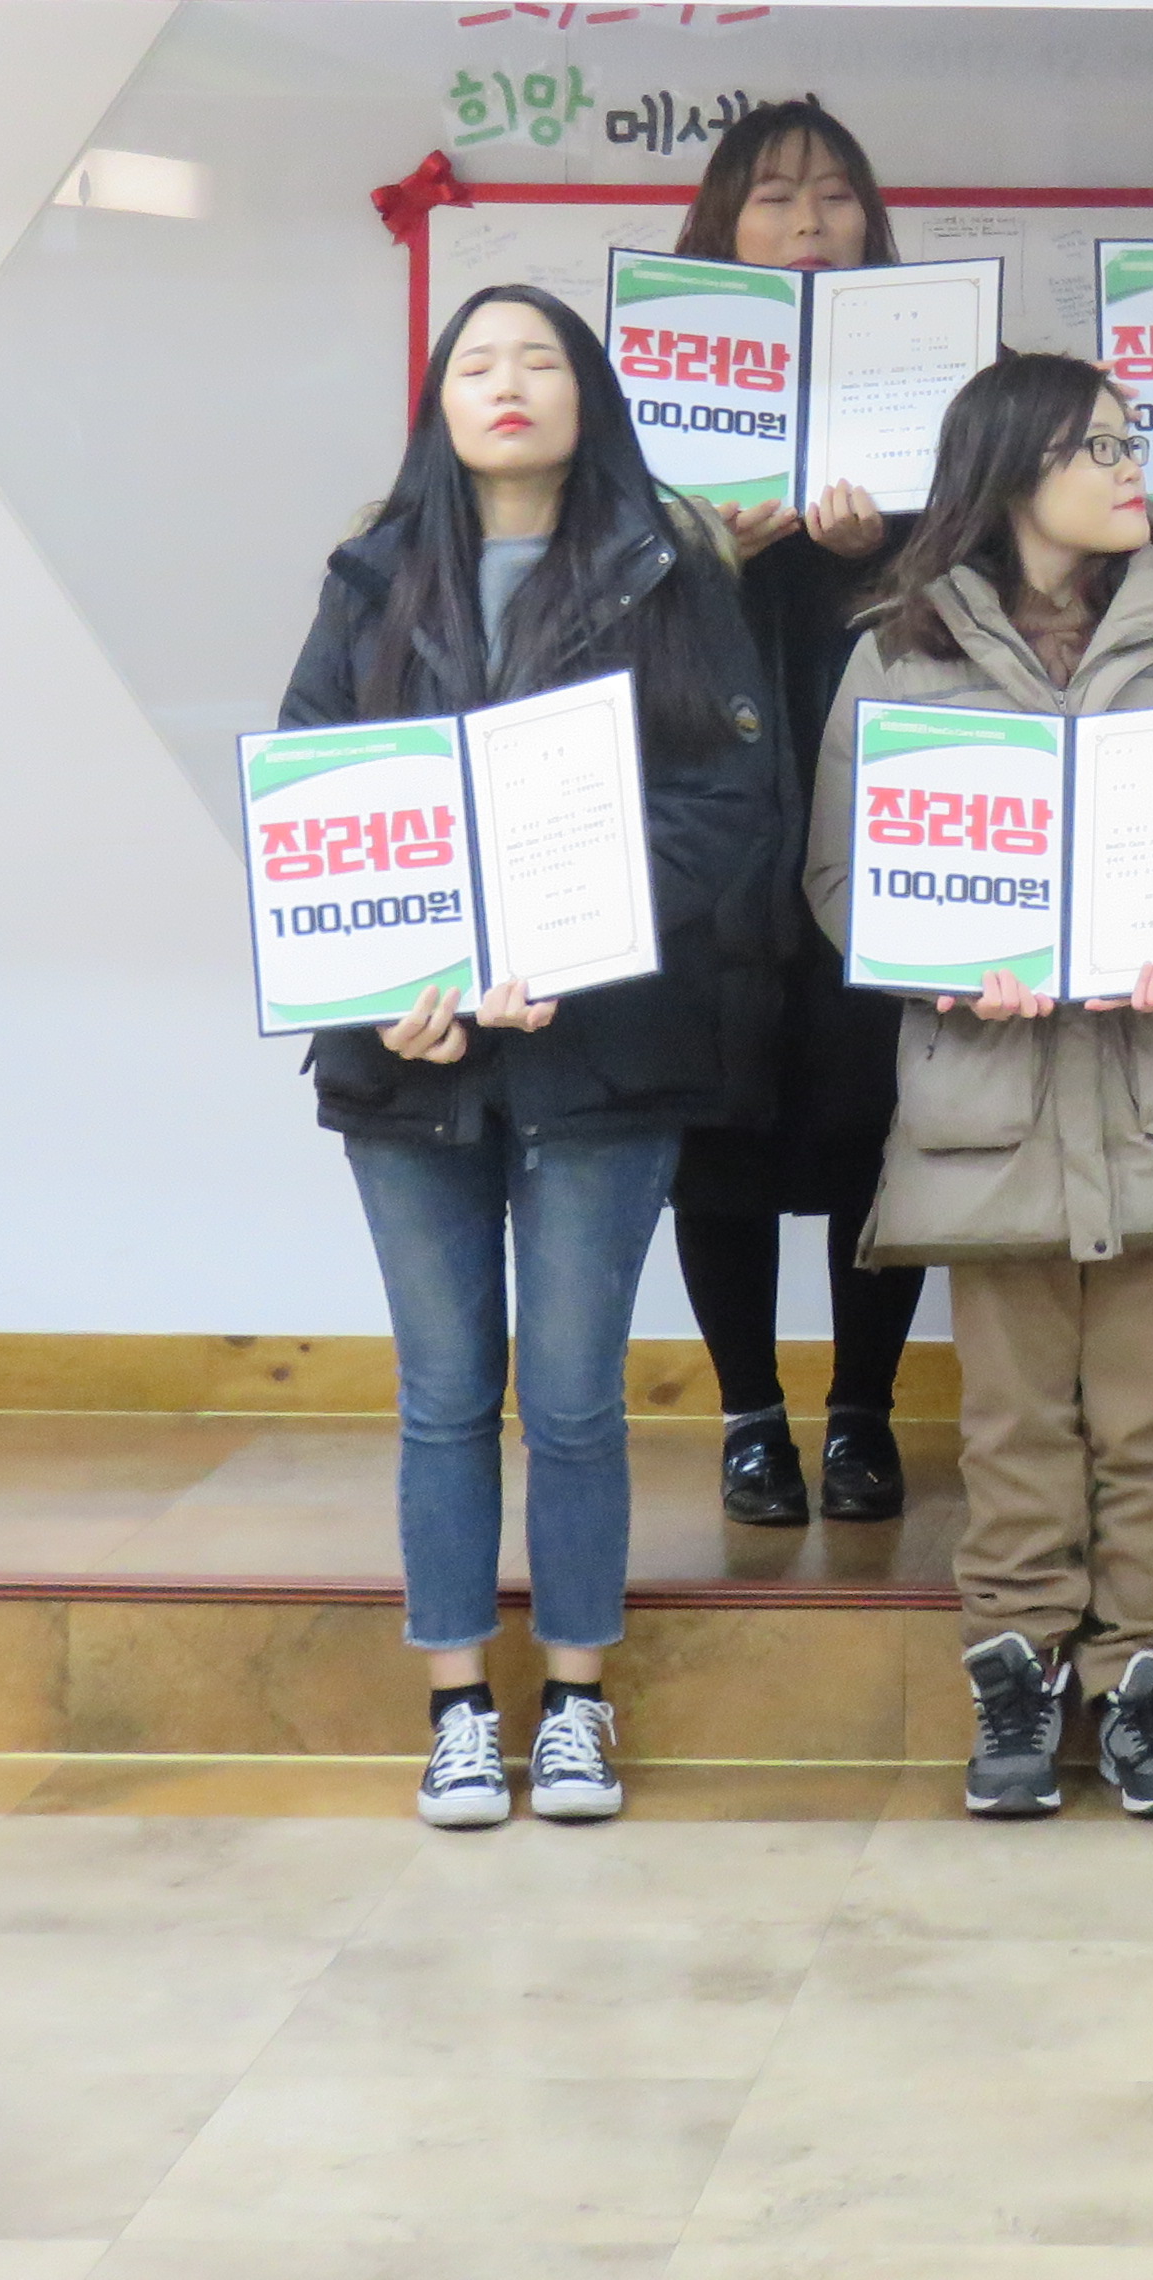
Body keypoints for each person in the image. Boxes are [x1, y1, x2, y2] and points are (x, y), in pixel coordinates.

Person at [275, 283, 786, 1830]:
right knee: (443, 1394)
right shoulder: (371, 575)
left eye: (541, 361)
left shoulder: (669, 569)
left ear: (587, 398)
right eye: (477, 363)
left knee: (571, 1398)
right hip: (408, 1057)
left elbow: (725, 804)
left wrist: (573, 940)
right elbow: (316, 800)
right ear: (439, 401)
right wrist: (386, 988)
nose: (507, 384)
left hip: (605, 1049)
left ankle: (573, 1702)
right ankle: (454, 1712)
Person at [806, 354, 1153, 1820]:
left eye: (1131, 439)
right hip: (993, 1100)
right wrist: (944, 966)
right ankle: (1018, 1675)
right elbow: (841, 869)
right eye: (1097, 445)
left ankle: (1150, 1682)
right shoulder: (898, 649)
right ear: (1011, 467)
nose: (1130, 463)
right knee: (1013, 1421)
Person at [656, 99, 928, 1534]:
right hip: (711, 799)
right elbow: (600, 589)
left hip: (880, 791)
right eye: (773, 196)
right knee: (720, 1118)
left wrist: (890, 550)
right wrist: (706, 545)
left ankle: (863, 1411)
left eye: (833, 194)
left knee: (880, 1105)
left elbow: (992, 571)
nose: (808, 222)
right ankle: (749, 1415)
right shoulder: (657, 383)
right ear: (724, 223)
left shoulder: (929, 374)